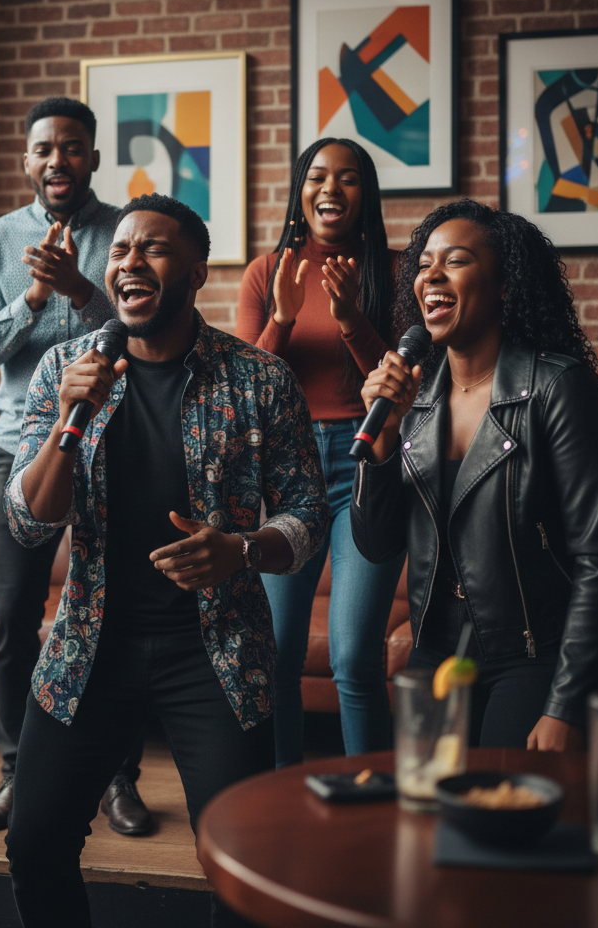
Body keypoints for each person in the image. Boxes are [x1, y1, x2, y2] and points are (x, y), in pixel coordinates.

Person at [3, 193, 328, 928]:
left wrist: (239, 551)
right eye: (119, 250)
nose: (129, 262)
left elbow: (308, 517)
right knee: (34, 843)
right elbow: (27, 522)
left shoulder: (259, 380)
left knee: (241, 860)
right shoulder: (64, 369)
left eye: (152, 248)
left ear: (194, 271)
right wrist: (64, 425)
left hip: (215, 653)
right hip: (91, 645)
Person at [351, 199, 598, 750]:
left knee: (503, 819)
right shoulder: (417, 402)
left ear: (505, 284)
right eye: (424, 264)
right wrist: (384, 443)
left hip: (537, 652)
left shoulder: (559, 390)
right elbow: (377, 546)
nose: (431, 275)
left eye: (454, 261)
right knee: (424, 816)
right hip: (438, 652)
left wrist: (565, 705)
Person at [0, 96, 149, 834]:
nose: (57, 160)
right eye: (44, 149)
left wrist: (79, 288)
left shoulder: (128, 233)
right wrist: (34, 297)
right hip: (21, 448)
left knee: (123, 613)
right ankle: (15, 772)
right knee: (11, 618)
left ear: (94, 158)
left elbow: (144, 331)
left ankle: (120, 779)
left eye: (72, 147)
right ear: (26, 160)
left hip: (121, 444)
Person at [235, 137, 404, 762]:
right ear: (300, 190)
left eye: (349, 178)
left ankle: (371, 797)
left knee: (355, 657)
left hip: (369, 466)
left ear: (367, 194)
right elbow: (248, 390)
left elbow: (402, 386)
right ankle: (279, 797)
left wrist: (352, 316)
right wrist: (281, 316)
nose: (331, 189)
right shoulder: (267, 270)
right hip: (287, 472)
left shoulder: (395, 271)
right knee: (274, 654)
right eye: (318, 177)